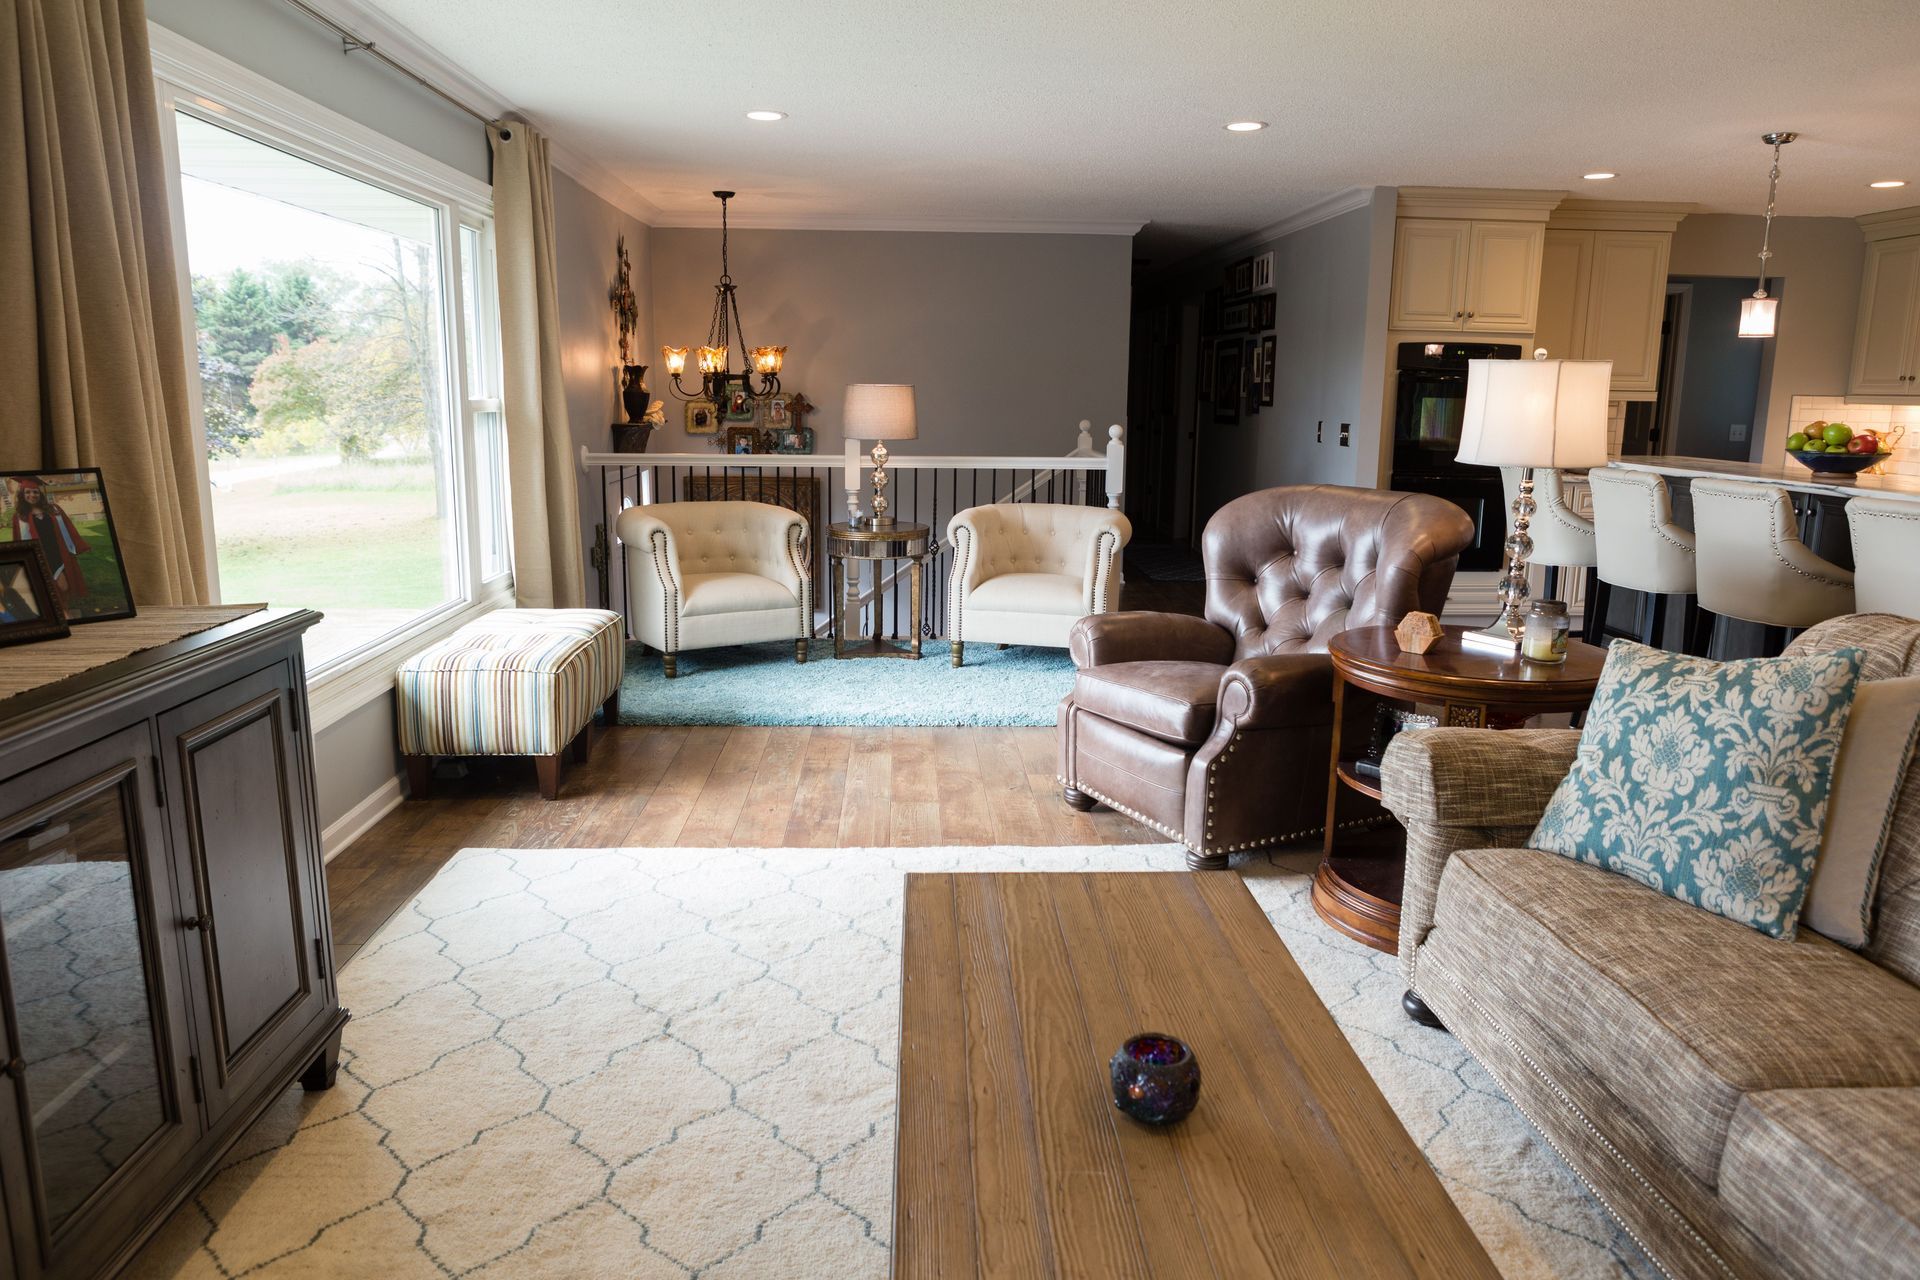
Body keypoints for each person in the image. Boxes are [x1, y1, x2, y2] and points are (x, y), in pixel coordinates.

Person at [8, 478, 90, 609]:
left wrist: (77, 545)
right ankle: (62, 612)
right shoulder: (19, 517)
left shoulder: (54, 509)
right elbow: (18, 539)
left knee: (64, 585)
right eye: (28, 492)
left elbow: (69, 528)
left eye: (35, 492)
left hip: (59, 553)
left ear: (40, 494)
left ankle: (63, 609)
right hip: (41, 556)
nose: (32, 495)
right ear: (22, 495)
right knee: (51, 587)